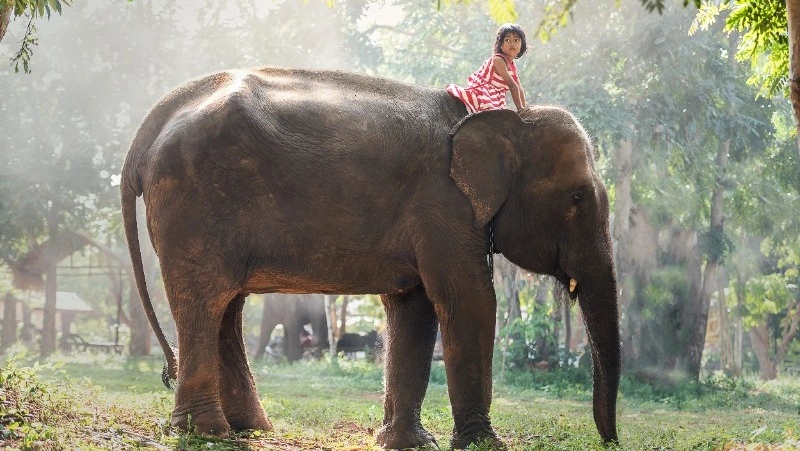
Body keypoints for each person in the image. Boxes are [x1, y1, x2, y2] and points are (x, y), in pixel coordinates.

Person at [446, 23, 527, 113]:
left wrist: (525, 108)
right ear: (500, 44)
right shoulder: (498, 60)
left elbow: (519, 87)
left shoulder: (512, 64)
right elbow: (512, 85)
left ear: (522, 44)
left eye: (516, 40)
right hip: (483, 93)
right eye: (507, 40)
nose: (512, 43)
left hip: (496, 96)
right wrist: (520, 109)